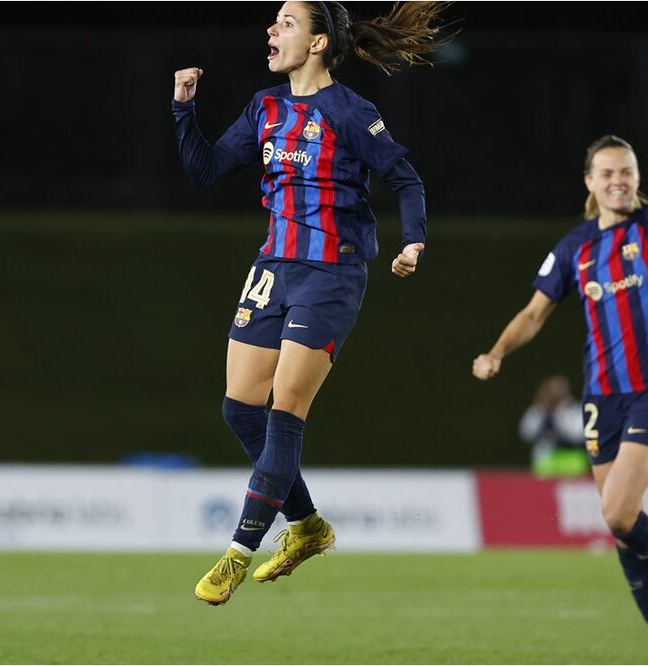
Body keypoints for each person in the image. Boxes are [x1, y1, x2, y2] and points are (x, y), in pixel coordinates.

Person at [172, 2, 454, 606]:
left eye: (287, 22)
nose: (271, 31)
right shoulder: (265, 108)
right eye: (273, 22)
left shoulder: (350, 112)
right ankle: (307, 526)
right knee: (238, 410)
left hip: (332, 271)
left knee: (284, 410)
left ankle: (237, 553)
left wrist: (414, 240)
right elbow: (205, 169)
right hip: (273, 266)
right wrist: (183, 108)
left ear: (320, 42)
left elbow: (405, 178)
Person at [471, 80, 648, 665]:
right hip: (600, 398)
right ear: (590, 183)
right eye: (607, 172)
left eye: (627, 171)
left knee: (617, 511)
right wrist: (498, 352)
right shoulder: (574, 248)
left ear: (636, 178)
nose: (618, 180)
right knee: (620, 530)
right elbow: (535, 313)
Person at [518, 375, 588, 477]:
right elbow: (525, 433)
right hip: (546, 460)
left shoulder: (574, 410)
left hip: (571, 460)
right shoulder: (538, 411)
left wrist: (559, 414)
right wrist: (544, 415)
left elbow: (579, 435)